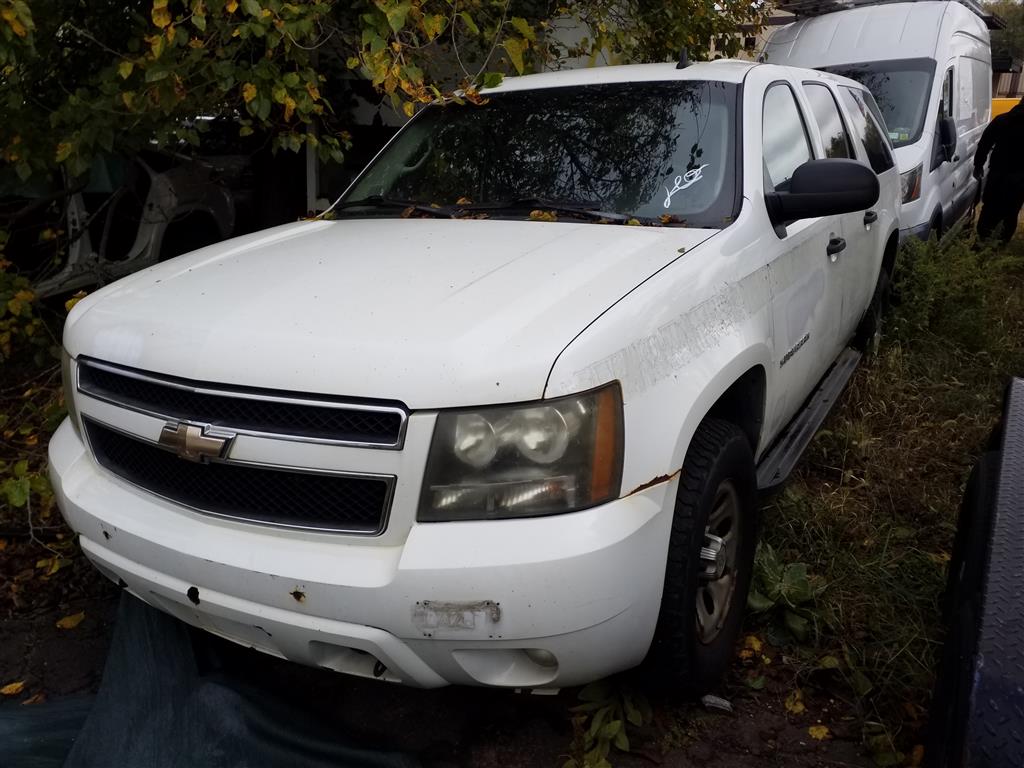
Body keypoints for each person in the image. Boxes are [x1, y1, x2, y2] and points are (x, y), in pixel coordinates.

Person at [974, 100, 1024, 245]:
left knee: (989, 209)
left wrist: (978, 165)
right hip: (1019, 181)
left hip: (997, 176)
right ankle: (1000, 245)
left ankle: (981, 243)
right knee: (1011, 213)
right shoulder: (1002, 120)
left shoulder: (1002, 120)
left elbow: (984, 144)